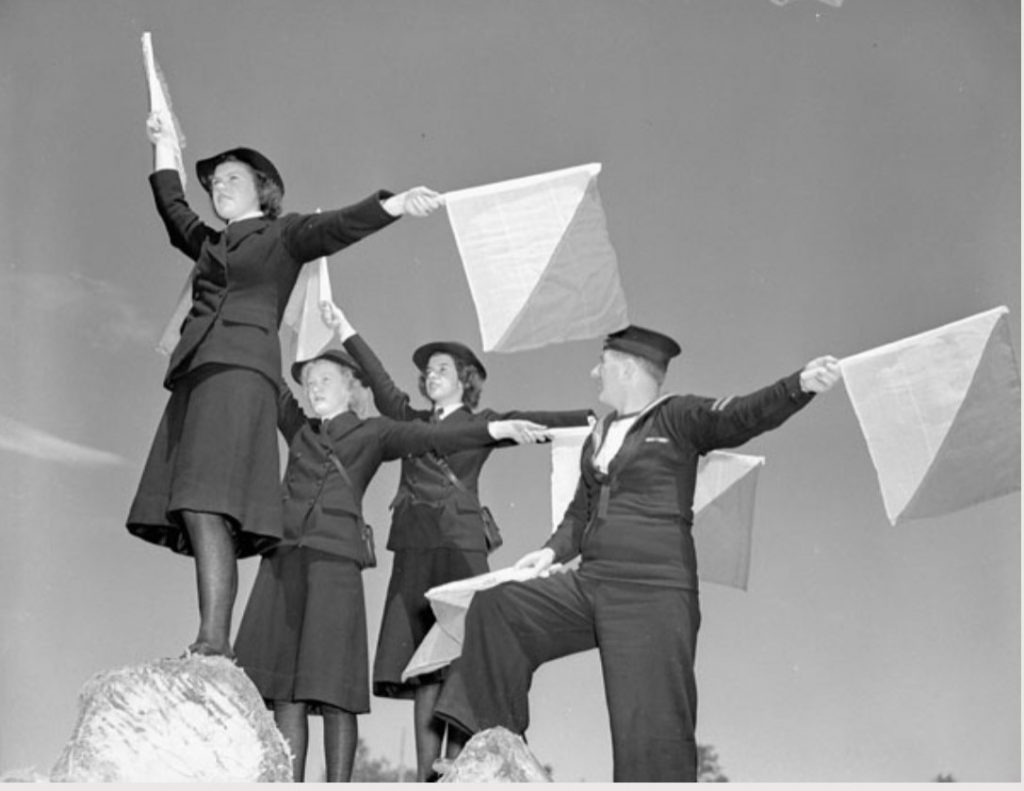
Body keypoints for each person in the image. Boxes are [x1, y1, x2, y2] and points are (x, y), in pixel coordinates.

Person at [432, 324, 843, 782]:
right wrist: (549, 553)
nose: (594, 373)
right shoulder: (600, 434)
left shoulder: (677, 417)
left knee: (651, 736)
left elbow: (741, 416)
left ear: (627, 370)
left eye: (602, 364)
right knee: (499, 609)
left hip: (655, 594)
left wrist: (799, 386)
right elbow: (580, 512)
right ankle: (496, 754)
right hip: (593, 582)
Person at [127, 111, 444, 658]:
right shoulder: (210, 245)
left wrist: (392, 205)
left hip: (241, 375)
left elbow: (337, 227)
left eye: (232, 179)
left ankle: (212, 641)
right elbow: (173, 209)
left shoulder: (283, 234)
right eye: (214, 181)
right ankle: (213, 639)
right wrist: (161, 146)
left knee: (208, 498)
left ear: (262, 191)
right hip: (198, 377)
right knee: (196, 502)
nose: (219, 188)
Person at [232, 346, 550, 782]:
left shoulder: (374, 433)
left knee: (331, 688)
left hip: (336, 564)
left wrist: (494, 428)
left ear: (350, 386)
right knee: (286, 692)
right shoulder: (299, 428)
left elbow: (430, 438)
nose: (314, 387)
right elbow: (274, 387)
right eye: (309, 381)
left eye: (325, 378)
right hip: (284, 560)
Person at [318, 300, 594, 781]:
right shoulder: (409, 417)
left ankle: (466, 765)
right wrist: (344, 329)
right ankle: (429, 774)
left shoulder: (483, 420)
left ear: (465, 378)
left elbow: (535, 418)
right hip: (412, 546)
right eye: (427, 370)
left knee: (461, 656)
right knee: (420, 663)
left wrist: (591, 421)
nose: (430, 375)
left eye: (441, 369)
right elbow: (380, 380)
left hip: (459, 545)